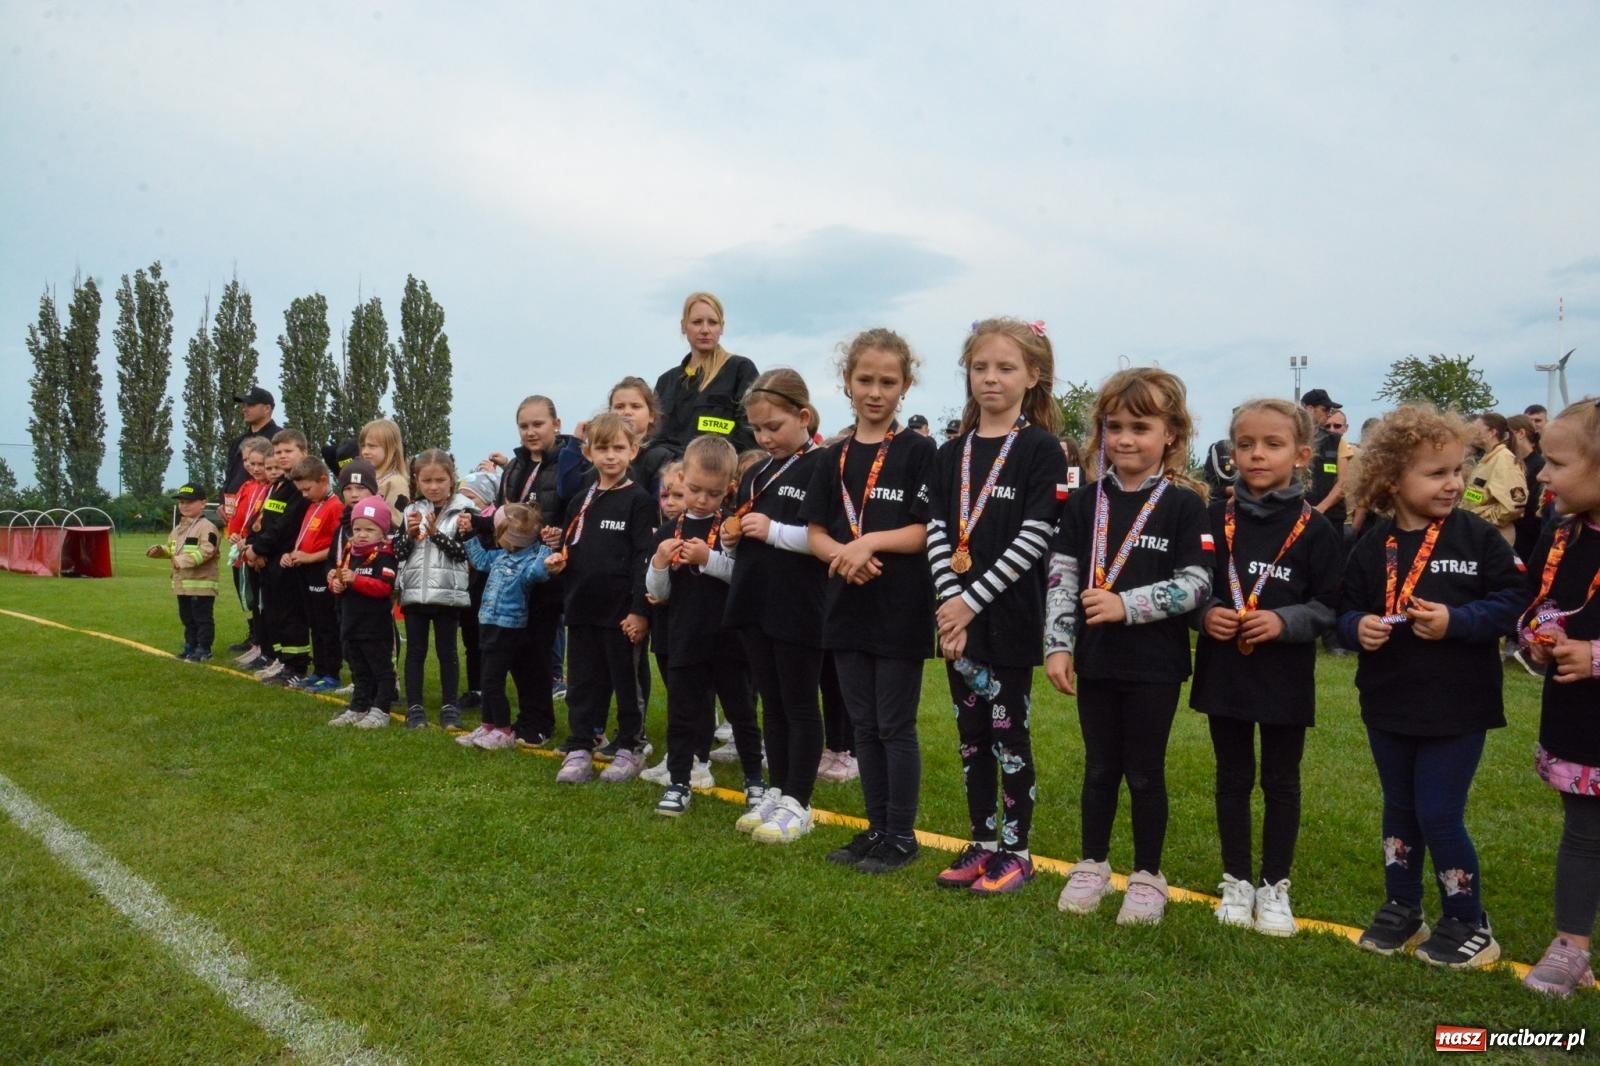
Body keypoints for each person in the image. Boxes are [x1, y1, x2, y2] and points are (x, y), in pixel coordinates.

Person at [1338, 405, 1525, 969]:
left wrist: (1457, 622)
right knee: (1399, 809)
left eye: (1457, 470)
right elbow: (1344, 609)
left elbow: (1513, 602)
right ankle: (1403, 907)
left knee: (1439, 812)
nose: (1454, 483)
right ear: (1392, 481)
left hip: (1459, 706)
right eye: (1436, 473)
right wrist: (1357, 628)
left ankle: (1469, 920)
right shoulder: (1372, 545)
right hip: (1389, 701)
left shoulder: (1477, 535)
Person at [1046, 367, 1210, 924]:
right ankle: (1091, 864)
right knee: (1098, 768)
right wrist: (1058, 644)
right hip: (1096, 660)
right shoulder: (1085, 501)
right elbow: (1062, 576)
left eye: (1140, 426)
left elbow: (1197, 583)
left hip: (1155, 664)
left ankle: (1147, 876)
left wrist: (1126, 605)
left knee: (1144, 771)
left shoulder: (1186, 506)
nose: (1125, 439)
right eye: (1113, 426)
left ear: (1172, 436)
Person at [1190, 399, 1342, 936]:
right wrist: (1206, 614)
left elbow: (1330, 605)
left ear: (1301, 455)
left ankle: (1275, 884)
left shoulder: (1316, 529)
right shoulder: (1210, 518)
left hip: (1284, 677)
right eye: (1246, 444)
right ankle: (1236, 879)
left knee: (1281, 781)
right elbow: (1192, 587)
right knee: (1232, 778)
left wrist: (1285, 621)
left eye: (1272, 445)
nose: (1257, 455)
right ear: (1232, 452)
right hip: (1224, 669)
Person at [927, 317, 1067, 895]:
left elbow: (1035, 535)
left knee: (1010, 738)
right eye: (980, 367)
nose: (991, 378)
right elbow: (937, 530)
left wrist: (970, 604)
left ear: (1033, 376)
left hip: (1005, 621)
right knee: (971, 739)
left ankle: (1018, 850)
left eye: (1006, 368)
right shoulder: (951, 451)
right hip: (955, 622)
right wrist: (948, 601)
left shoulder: (1041, 450)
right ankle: (982, 841)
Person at [803, 328, 936, 874]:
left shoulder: (919, 451)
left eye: (888, 381)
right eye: (865, 380)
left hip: (900, 608)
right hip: (846, 606)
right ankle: (874, 827)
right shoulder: (830, 458)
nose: (875, 392)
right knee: (861, 725)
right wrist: (843, 554)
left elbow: (926, 530)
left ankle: (901, 834)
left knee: (893, 724)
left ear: (905, 386)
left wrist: (869, 543)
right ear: (846, 382)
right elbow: (815, 533)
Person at [722, 367, 830, 844]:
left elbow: (827, 539)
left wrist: (773, 532)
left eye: (774, 427)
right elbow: (745, 530)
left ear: (803, 416)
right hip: (754, 600)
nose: (765, 438)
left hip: (799, 605)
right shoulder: (757, 472)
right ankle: (780, 789)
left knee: (800, 703)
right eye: (757, 429)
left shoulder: (824, 466)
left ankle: (800, 801)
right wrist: (729, 537)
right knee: (773, 702)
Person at [1518, 398, 1600, 996]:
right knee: (1584, 833)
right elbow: (1539, 606)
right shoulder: (1562, 534)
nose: (1542, 475)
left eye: (1556, 463)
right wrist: (1540, 639)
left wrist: (1593, 655)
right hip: (1581, 719)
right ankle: (1572, 945)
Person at [645, 436, 765, 817]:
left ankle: (755, 781)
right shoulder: (666, 532)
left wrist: (707, 557)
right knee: (683, 714)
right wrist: (659, 564)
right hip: (684, 637)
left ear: (729, 488)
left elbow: (742, 577)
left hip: (730, 640)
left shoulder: (731, 529)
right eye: (694, 489)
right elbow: (658, 593)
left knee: (742, 713)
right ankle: (679, 781)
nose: (701, 499)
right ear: (681, 477)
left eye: (713, 494)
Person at [550, 413, 658, 784]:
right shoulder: (580, 498)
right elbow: (570, 546)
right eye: (602, 448)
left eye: (619, 448)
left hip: (621, 614)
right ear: (588, 452)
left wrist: (639, 610)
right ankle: (581, 744)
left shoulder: (640, 500)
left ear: (633, 450)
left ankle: (631, 745)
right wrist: (558, 562)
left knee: (626, 683)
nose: (611, 456)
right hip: (581, 608)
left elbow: (643, 558)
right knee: (581, 683)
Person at [476, 395, 573, 745]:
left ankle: (539, 724)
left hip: (545, 574)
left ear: (556, 424)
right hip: (512, 573)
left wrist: (558, 535)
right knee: (516, 654)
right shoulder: (515, 467)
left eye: (538, 424)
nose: (531, 432)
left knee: (537, 652)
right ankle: (522, 718)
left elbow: (574, 511)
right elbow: (504, 514)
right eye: (524, 426)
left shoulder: (568, 462)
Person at [455, 503, 563, 749]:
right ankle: (487, 724)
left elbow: (538, 574)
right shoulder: (501, 555)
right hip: (489, 623)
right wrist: (469, 535)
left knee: (493, 680)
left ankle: (502, 729)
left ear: (510, 538)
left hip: (507, 629)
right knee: (487, 678)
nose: (494, 537)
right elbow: (481, 560)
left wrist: (546, 549)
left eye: (498, 532)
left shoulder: (529, 561)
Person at [394, 449, 474, 730]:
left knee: (447, 651)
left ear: (452, 478)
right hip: (415, 592)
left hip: (447, 594)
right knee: (415, 650)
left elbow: (464, 553)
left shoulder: (464, 510)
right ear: (417, 480)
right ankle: (414, 707)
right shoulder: (411, 509)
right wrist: (410, 535)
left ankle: (449, 706)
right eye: (427, 481)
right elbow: (399, 552)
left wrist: (436, 535)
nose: (434, 486)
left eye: (440, 480)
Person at [653, 292, 760, 456]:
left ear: (722, 327)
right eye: (697, 322)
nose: (705, 330)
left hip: (719, 466)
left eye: (712, 322)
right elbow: (654, 436)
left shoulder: (740, 369)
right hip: (669, 472)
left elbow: (750, 430)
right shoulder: (666, 382)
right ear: (683, 326)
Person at [326, 497, 400, 729]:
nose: (362, 534)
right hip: (351, 623)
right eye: (357, 528)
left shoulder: (385, 555)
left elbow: (384, 588)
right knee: (358, 669)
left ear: (383, 531)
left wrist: (357, 580)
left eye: (370, 529)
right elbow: (340, 577)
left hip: (375, 626)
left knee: (381, 669)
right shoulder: (350, 551)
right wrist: (336, 585)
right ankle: (359, 706)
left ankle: (381, 709)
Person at [244, 429, 310, 685]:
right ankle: (281, 660)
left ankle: (296, 667)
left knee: (291, 615)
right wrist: (252, 546)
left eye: (288, 451)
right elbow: (262, 520)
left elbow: (285, 525)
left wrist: (259, 549)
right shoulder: (278, 484)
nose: (282, 456)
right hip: (269, 560)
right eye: (278, 451)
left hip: (286, 561)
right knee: (275, 613)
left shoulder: (298, 486)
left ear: (303, 452)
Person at [282, 457, 344, 694]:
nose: (304, 494)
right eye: (300, 490)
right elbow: (306, 539)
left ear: (323, 480)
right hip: (305, 572)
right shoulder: (312, 505)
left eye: (307, 489)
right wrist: (293, 554)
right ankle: (319, 671)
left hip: (321, 572)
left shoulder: (334, 506)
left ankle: (332, 673)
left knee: (326, 624)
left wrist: (309, 557)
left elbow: (336, 544)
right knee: (314, 624)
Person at [147, 483, 221, 661]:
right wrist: (161, 551)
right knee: (187, 619)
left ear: (203, 504)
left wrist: (181, 561)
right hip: (182, 585)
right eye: (181, 502)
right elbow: (174, 549)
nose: (184, 506)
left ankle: (204, 648)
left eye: (190, 502)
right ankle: (190, 645)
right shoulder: (177, 529)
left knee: (202, 619)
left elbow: (207, 551)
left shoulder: (207, 527)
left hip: (201, 584)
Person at [454, 467, 501, 715]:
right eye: (462, 497)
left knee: (487, 643)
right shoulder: (460, 522)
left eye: (471, 498)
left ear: (486, 500)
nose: (466, 504)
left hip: (488, 592)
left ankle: (489, 689)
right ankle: (475, 688)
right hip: (468, 592)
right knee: (471, 641)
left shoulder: (495, 524)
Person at [225, 437, 274, 661]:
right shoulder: (247, 486)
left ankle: (264, 645)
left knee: (262, 602)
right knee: (249, 600)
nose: (252, 468)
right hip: (242, 551)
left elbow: (263, 523)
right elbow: (237, 518)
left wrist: (249, 542)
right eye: (248, 462)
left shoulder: (270, 489)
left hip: (257, 553)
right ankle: (256, 640)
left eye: (258, 464)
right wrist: (233, 535)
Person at [1463, 412, 1526, 544]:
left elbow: (1515, 506)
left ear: (1492, 432)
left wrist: (1476, 516)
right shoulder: (1488, 459)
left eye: (1476, 430)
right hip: (1477, 532)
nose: (1472, 433)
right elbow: (1481, 494)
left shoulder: (1504, 460)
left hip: (1493, 537)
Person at [222, 387, 281, 521]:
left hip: (261, 509)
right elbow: (230, 474)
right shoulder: (238, 441)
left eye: (251, 405)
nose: (244, 409)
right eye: (244, 405)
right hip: (233, 510)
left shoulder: (280, 438)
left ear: (267, 408)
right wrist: (223, 501)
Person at [1302, 388, 1352, 527]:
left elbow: (1343, 482)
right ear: (1309, 409)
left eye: (1330, 411)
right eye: (1325, 410)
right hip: (1298, 517)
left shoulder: (1336, 441)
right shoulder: (1292, 439)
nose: (1328, 415)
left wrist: (1320, 509)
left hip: (1331, 517)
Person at [1507, 413, 1547, 561]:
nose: (1505, 440)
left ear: (1521, 433)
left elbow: (1533, 511)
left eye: (1508, 435)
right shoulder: (1507, 463)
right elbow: (1474, 495)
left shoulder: (1538, 467)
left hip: (1526, 543)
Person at [359, 419, 410, 526]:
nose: (365, 451)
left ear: (391, 449)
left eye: (372, 446)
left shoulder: (396, 482)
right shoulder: (368, 479)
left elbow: (397, 523)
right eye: (363, 446)